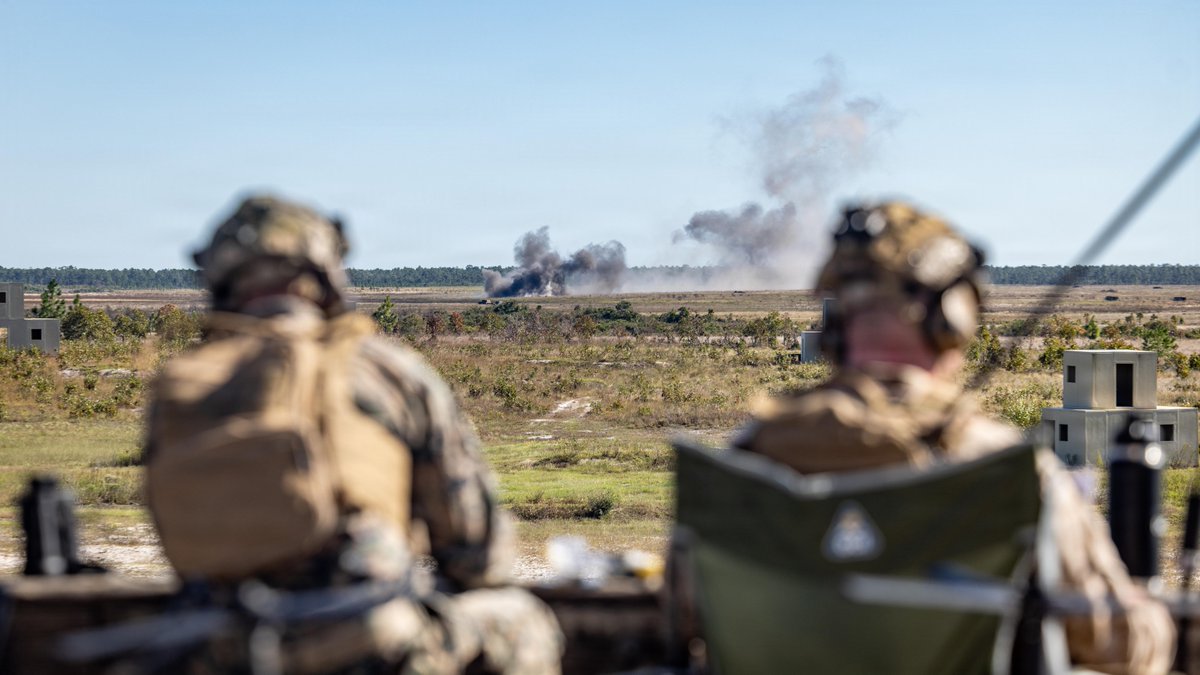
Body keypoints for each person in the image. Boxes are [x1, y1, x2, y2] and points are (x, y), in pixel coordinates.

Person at [733, 201, 1174, 675]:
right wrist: (1144, 612)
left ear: (837, 325)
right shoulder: (1007, 469)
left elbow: (689, 614)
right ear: (952, 317)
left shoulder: (750, 457)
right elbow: (1121, 647)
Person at [143, 194, 562, 674]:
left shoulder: (181, 387)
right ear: (325, 273)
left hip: (218, 650)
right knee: (523, 621)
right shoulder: (384, 371)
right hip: (364, 646)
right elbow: (478, 556)